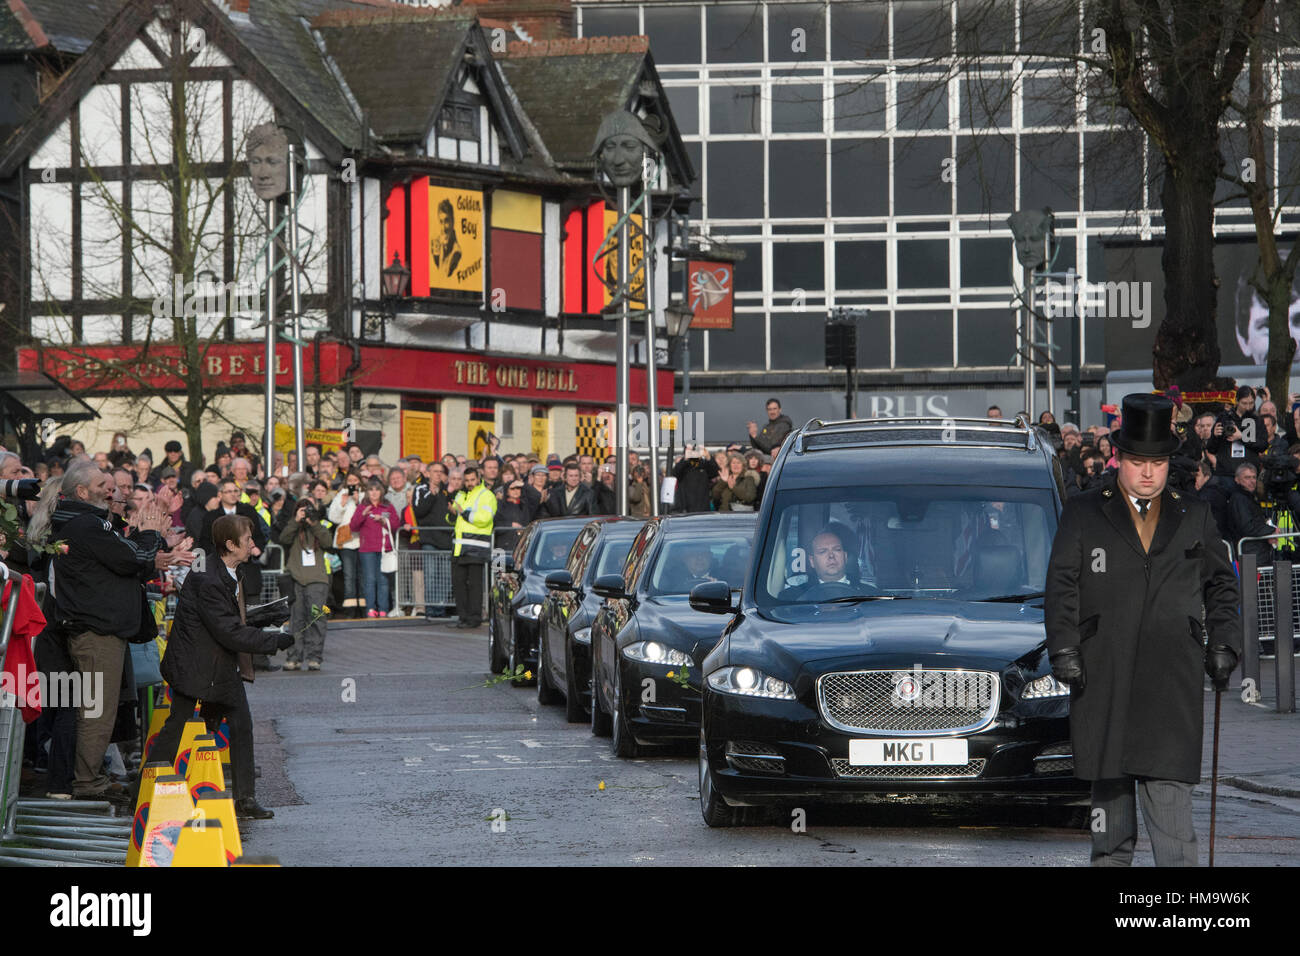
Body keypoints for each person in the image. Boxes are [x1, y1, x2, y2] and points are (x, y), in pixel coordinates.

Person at [1044, 393, 1241, 867]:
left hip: (1171, 683)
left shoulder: (1194, 514)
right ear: (1120, 459)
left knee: (1175, 835)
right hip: (1103, 677)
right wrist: (1064, 649)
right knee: (1109, 834)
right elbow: (1061, 584)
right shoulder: (1085, 511)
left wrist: (1224, 643)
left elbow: (1222, 586)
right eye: (1138, 462)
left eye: (1157, 462)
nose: (1148, 472)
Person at [154, 515, 292, 819]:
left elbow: (231, 618)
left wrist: (264, 617)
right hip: (196, 665)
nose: (253, 544)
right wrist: (273, 641)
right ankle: (147, 786)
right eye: (247, 540)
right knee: (177, 727)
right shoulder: (210, 578)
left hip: (218, 665)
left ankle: (245, 799)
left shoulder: (226, 570)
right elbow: (227, 630)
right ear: (230, 545)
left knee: (240, 725)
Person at [49, 458, 163, 806]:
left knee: (98, 708)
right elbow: (133, 557)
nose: (110, 491)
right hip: (96, 631)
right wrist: (150, 533)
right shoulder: (86, 525)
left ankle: (91, 778)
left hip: (99, 629)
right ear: (82, 492)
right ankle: (88, 783)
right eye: (103, 486)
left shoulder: (87, 523)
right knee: (97, 711)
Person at [279, 498, 332, 669]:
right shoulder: (293, 527)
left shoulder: (320, 526)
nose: (305, 513)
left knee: (316, 618)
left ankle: (314, 657)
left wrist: (313, 523)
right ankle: (294, 657)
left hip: (317, 580)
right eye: (302, 510)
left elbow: (328, 542)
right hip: (296, 579)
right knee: (296, 620)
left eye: (308, 510)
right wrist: (296, 521)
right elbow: (284, 539)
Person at [449, 464, 496, 628]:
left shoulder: (486, 495)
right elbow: (454, 520)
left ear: (478, 479)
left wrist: (464, 512)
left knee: (474, 586)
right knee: (459, 584)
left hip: (476, 546)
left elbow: (485, 518)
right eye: (467, 480)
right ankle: (463, 616)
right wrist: (452, 513)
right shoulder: (461, 495)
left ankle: (474, 618)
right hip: (459, 547)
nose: (469, 483)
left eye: (472, 479)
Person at [350, 479, 401, 618]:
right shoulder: (363, 506)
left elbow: (396, 525)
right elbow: (353, 527)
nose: (374, 493)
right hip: (367, 550)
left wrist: (385, 521)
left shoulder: (387, 506)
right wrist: (363, 514)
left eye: (377, 489)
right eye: (371, 490)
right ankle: (371, 608)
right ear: (367, 492)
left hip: (384, 548)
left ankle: (383, 608)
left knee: (383, 580)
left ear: (381, 492)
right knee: (370, 580)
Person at [1227, 462, 1275, 564]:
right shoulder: (1238, 499)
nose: (1252, 481)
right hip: (1250, 555)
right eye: (1247, 477)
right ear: (1237, 480)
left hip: (1256, 552)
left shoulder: (1250, 498)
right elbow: (1248, 527)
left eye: (1254, 477)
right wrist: (1271, 530)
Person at [328, 475, 363, 617]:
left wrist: (357, 501)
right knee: (349, 576)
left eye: (355, 481)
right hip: (347, 542)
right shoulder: (340, 495)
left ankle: (363, 607)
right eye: (350, 481)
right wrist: (342, 504)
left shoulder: (364, 494)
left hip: (361, 540)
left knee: (362, 576)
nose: (353, 484)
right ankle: (350, 608)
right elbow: (333, 518)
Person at [672, 444, 718, 513]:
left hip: (702, 507)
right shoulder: (683, 465)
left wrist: (708, 457)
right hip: (685, 507)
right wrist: (685, 458)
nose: (694, 453)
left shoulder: (704, 465)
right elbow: (676, 473)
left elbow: (714, 472)